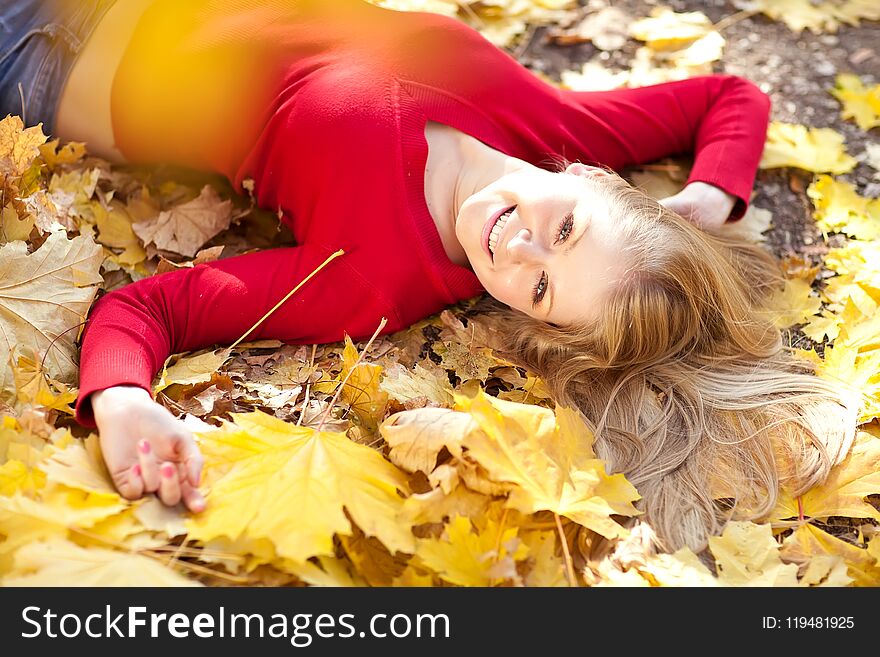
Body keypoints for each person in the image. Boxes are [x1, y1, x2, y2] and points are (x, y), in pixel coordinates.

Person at [2, 0, 858, 553]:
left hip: (41, 54)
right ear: (593, 177)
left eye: (541, 287)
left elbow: (148, 307)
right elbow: (729, 96)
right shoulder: (547, 122)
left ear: (531, 319)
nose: (518, 246)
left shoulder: (373, 280)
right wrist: (710, 197)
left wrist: (123, 400)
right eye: (564, 228)